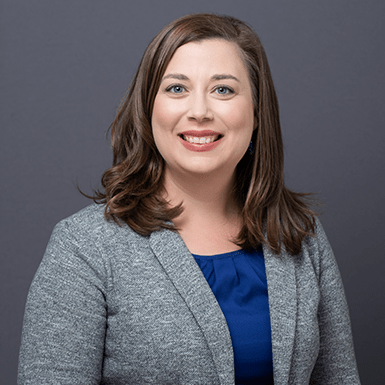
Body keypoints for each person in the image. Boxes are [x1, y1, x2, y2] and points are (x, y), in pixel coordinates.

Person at [18, 13, 361, 385]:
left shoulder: (301, 236)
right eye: (177, 89)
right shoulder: (84, 247)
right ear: (149, 107)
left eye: (223, 90)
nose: (199, 111)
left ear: (257, 111)